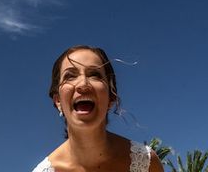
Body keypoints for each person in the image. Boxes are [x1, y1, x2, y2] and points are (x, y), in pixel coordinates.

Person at [31, 45, 165, 172]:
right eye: (70, 76)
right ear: (58, 101)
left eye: (94, 74)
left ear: (111, 98)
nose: (83, 84)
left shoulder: (146, 162)